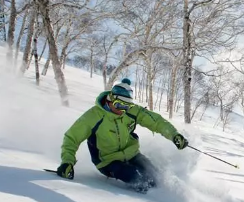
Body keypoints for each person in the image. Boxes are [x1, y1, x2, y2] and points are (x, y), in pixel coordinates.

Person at [56, 78, 188, 192]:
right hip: (108, 161)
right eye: (119, 105)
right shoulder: (93, 116)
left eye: (127, 106)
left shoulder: (130, 111)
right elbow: (71, 138)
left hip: (132, 154)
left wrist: (174, 135)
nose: (122, 110)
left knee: (156, 176)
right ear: (110, 99)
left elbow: (156, 122)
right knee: (140, 180)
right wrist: (67, 162)